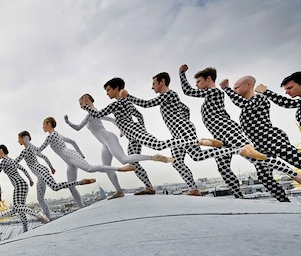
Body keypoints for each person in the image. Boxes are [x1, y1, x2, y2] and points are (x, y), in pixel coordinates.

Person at [124, 72, 265, 196]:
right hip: (178, 133)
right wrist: (183, 122)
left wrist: (128, 96)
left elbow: (147, 104)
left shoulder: (169, 94)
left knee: (197, 156)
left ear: (162, 82)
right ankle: (193, 189)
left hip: (182, 130)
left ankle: (234, 149)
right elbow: (186, 109)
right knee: (177, 162)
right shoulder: (171, 98)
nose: (152, 87)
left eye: (154, 83)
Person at [81, 77, 226, 195]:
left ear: (116, 88)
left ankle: (198, 141)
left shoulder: (118, 103)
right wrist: (133, 130)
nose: (107, 93)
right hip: (134, 134)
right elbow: (139, 115)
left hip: (135, 132)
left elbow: (98, 114)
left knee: (158, 145)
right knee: (133, 163)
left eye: (108, 90)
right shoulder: (126, 103)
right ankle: (149, 187)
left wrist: (86, 106)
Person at [179, 64, 299, 201]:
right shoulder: (210, 96)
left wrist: (181, 74)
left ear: (208, 79)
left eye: (198, 81)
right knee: (223, 167)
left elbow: (188, 91)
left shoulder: (214, 92)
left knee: (254, 157)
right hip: (219, 136)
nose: (196, 85)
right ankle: (239, 196)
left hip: (227, 130)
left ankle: (294, 175)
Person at [221, 75, 301, 192]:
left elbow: (242, 104)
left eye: (236, 87)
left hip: (271, 138)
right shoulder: (248, 107)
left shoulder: (259, 99)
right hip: (260, 144)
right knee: (264, 177)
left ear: (249, 85)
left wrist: (226, 89)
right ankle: (284, 202)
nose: (235, 91)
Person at [65, 94, 175, 199]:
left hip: (108, 138)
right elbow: (113, 120)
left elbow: (78, 128)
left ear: (87, 99)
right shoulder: (94, 112)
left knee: (124, 160)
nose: (80, 106)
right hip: (104, 143)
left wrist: (68, 122)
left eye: (81, 103)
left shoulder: (91, 114)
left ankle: (153, 157)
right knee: (107, 167)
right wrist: (121, 130)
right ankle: (119, 191)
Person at [256, 71, 301, 184]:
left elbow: (288, 104)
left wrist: (266, 92)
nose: (287, 92)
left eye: (290, 88)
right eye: (286, 89)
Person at [16, 131, 95, 219]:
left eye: (19, 138)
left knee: (55, 187)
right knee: (40, 198)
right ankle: (49, 219)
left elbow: (15, 162)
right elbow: (45, 157)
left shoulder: (25, 151)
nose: (18, 141)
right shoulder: (32, 150)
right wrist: (51, 167)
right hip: (40, 174)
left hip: (41, 171)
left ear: (23, 138)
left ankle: (80, 182)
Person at [0, 144, 50, 229]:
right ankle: (25, 229)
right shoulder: (13, 160)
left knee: (17, 206)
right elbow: (23, 169)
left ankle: (37, 214)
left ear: (1, 151)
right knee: (21, 208)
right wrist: (30, 180)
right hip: (24, 184)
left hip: (18, 185)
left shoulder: (3, 162)